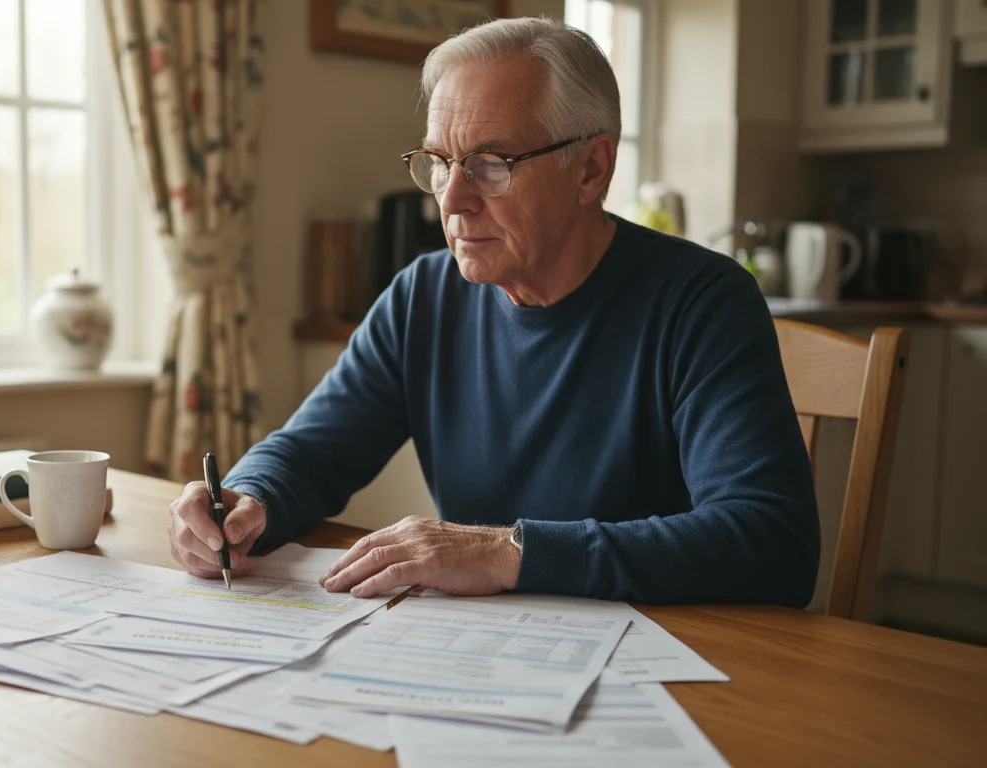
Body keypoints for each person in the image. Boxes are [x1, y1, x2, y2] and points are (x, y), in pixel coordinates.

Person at [166, 17, 820, 607]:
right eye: (440, 162)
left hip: (677, 672)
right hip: (487, 661)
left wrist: (506, 552)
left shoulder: (702, 303)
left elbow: (771, 541)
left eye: (489, 164)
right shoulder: (423, 296)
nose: (451, 200)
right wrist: (246, 498)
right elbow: (311, 453)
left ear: (591, 169)